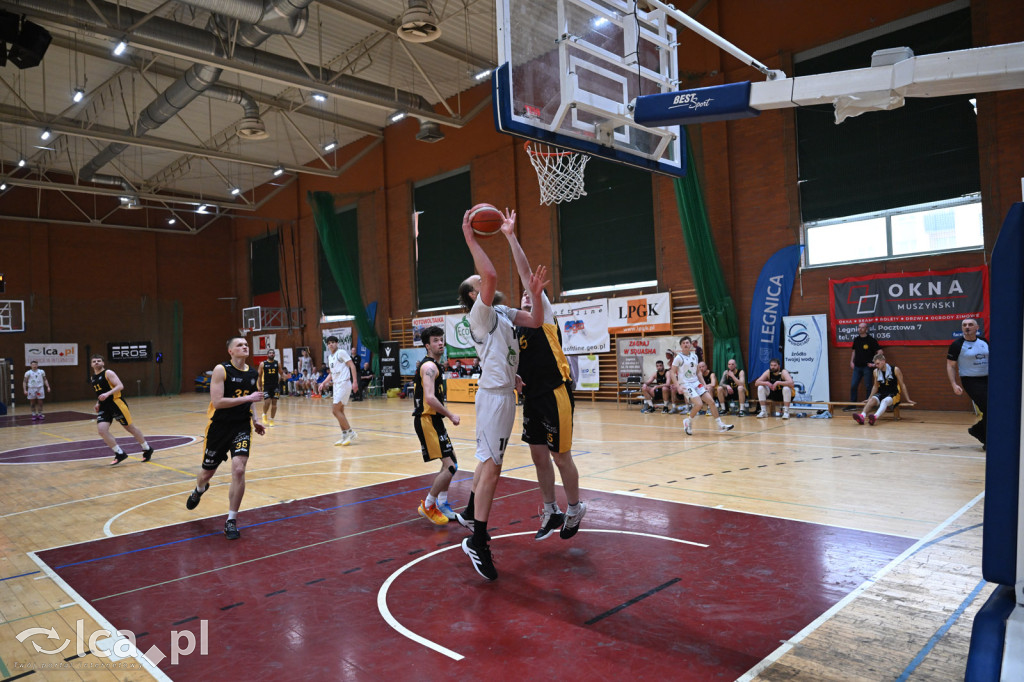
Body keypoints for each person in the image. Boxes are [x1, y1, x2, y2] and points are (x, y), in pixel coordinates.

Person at [457, 207, 547, 581]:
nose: (486, 280)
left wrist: (536, 295)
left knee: (485, 462)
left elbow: (538, 321)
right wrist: (471, 237)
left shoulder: (506, 313)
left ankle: (467, 513)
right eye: (478, 282)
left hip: (504, 395)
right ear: (474, 296)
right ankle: (478, 539)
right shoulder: (479, 316)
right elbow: (491, 273)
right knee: (493, 468)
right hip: (494, 397)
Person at [508, 222, 586, 543]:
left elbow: (526, 273)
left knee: (559, 456)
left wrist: (512, 235)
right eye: (525, 294)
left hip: (556, 393)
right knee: (538, 456)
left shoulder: (545, 316)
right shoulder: (518, 327)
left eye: (532, 291)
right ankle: (551, 508)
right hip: (533, 398)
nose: (527, 294)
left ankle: (576, 507)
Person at [183, 337, 265, 540]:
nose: (244, 346)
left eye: (246, 344)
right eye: (239, 345)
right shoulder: (221, 370)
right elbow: (218, 402)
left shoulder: (253, 373)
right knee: (206, 474)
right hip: (219, 428)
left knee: (239, 469)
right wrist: (248, 398)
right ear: (230, 351)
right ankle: (199, 489)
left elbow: (251, 399)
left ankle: (231, 520)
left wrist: (255, 419)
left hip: (241, 427)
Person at [413, 326, 462, 525]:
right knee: (450, 467)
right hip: (427, 420)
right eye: (435, 340)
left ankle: (442, 503)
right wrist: (450, 415)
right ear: (427, 346)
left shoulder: (435, 365)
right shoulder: (429, 367)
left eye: (441, 339)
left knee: (453, 464)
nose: (440, 343)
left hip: (434, 420)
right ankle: (429, 505)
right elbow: (430, 398)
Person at [89, 355, 154, 465]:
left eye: (99, 361)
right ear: (91, 364)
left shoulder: (108, 373)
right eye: (94, 361)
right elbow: (100, 393)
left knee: (130, 428)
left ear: (103, 363)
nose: (96, 363)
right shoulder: (93, 378)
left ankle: (147, 448)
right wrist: (98, 403)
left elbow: (120, 386)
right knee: (102, 430)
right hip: (105, 406)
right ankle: (119, 453)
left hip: (116, 403)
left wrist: (107, 394)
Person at [671, 336, 734, 435]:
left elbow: (699, 373)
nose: (686, 344)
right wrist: (678, 386)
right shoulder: (679, 358)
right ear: (681, 345)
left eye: (687, 342)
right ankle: (688, 422)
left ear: (691, 344)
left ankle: (720, 425)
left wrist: (704, 384)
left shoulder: (694, 356)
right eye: (683, 343)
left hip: (696, 382)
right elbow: (672, 373)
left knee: (711, 402)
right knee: (699, 404)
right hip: (686, 384)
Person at [946, 317, 988, 447]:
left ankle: (979, 432)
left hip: (988, 378)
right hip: (971, 381)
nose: (967, 327)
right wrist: (954, 384)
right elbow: (950, 366)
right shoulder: (957, 345)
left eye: (970, 324)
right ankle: (983, 435)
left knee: (993, 409)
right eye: (964, 325)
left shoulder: (984, 341)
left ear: (977, 328)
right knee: (988, 407)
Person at [319, 336, 359, 445]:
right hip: (336, 385)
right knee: (340, 411)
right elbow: (332, 374)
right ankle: (345, 435)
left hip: (344, 383)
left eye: (333, 342)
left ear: (337, 343)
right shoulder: (330, 357)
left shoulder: (341, 352)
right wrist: (323, 383)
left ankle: (351, 432)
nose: (331, 344)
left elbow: (352, 365)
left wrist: (355, 381)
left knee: (335, 410)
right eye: (329, 343)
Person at [853, 351, 910, 425]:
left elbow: (902, 385)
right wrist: (869, 398)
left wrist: (908, 399)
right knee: (872, 400)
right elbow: (875, 386)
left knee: (884, 401)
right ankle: (862, 416)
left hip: (894, 393)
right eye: (875, 364)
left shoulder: (895, 369)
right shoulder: (875, 371)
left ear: (883, 361)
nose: (876, 365)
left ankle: (875, 417)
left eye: (878, 363)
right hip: (882, 392)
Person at [847, 322, 881, 409]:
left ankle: (869, 405)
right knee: (853, 385)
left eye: (862, 327)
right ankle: (852, 405)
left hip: (867, 367)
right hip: (857, 367)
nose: (860, 329)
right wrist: (851, 361)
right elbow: (854, 351)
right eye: (859, 327)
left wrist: (875, 364)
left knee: (868, 386)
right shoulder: (856, 339)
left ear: (866, 329)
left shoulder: (871, 340)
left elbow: (880, 352)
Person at [258, 348, 288, 426]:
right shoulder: (263, 364)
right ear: (267, 355)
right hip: (266, 386)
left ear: (274, 355)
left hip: (275, 386)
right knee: (267, 402)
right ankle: (264, 414)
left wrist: (285, 376)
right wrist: (259, 387)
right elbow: (259, 376)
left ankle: (272, 420)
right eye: (270, 353)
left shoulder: (277, 363)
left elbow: (281, 373)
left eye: (273, 353)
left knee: (274, 404)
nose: (272, 354)